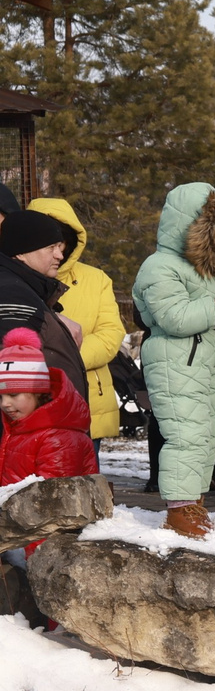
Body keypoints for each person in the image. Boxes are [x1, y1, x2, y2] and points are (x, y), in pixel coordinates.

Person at [133, 179, 215, 540]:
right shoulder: (159, 267)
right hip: (177, 363)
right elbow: (173, 317)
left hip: (207, 365)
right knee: (185, 434)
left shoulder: (213, 273)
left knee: (210, 435)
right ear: (192, 229)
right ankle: (179, 508)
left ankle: (195, 502)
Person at [25, 199, 123, 442]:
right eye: (49, 243)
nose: (58, 250)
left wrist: (66, 358)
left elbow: (111, 334)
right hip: (28, 398)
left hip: (87, 399)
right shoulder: (15, 281)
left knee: (86, 475)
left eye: (61, 242)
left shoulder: (96, 279)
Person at [0, 327, 99, 489]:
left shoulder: (58, 438)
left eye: (13, 394)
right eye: (0, 397)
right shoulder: (19, 427)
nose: (5, 404)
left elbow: (52, 497)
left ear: (38, 392)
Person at [0, 206, 85, 390]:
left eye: (59, 246)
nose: (60, 255)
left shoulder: (24, 287)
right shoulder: (13, 294)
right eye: (51, 247)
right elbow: (14, 382)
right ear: (21, 252)